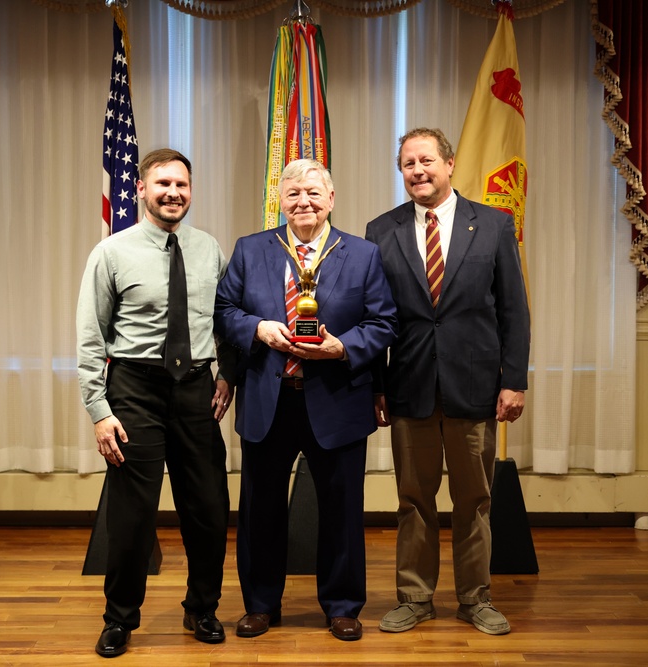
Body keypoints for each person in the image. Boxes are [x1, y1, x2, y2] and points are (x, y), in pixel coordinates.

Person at [215, 159, 397, 642]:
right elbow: (224, 310)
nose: (304, 202)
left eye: (314, 193)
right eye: (293, 194)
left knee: (341, 510)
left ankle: (341, 606)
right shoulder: (251, 250)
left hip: (337, 399)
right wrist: (256, 328)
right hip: (268, 400)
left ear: (331, 199)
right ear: (281, 201)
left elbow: (383, 323)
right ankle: (260, 604)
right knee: (260, 510)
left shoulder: (362, 255)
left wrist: (344, 347)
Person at [365, 128, 530, 636]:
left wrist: (514, 381)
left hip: (476, 387)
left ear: (450, 164)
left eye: (427, 161)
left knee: (474, 501)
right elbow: (373, 315)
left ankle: (475, 599)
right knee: (414, 500)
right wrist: (376, 386)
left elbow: (514, 311)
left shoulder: (495, 224)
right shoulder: (380, 229)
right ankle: (414, 598)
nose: (418, 170)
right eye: (408, 163)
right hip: (408, 386)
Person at [76, 148, 232, 658]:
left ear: (191, 191)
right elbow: (90, 338)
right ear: (141, 190)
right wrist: (100, 412)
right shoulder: (112, 252)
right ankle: (119, 619)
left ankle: (202, 609)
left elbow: (228, 320)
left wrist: (227, 373)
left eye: (182, 185)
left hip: (195, 389)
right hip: (134, 391)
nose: (173, 193)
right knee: (132, 515)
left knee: (208, 508)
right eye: (162, 183)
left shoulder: (209, 249)